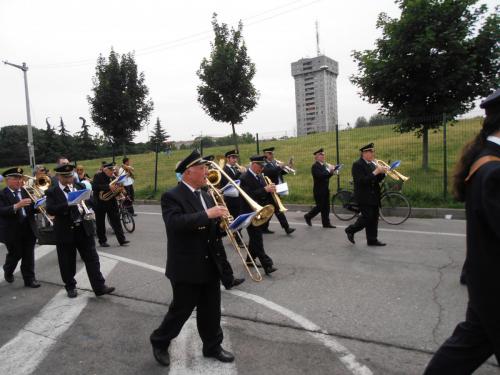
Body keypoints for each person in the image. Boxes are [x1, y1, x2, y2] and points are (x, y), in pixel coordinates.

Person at [424, 89, 500, 374]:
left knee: (467, 347)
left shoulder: (487, 162)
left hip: (488, 284)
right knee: (466, 346)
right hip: (494, 284)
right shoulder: (492, 170)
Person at [150, 149, 235, 367]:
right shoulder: (172, 196)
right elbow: (175, 224)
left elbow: (211, 228)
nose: (206, 172)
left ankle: (212, 346)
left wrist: (228, 225)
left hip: (209, 262)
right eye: (202, 168)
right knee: (181, 310)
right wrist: (208, 215)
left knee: (211, 309)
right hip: (186, 264)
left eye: (206, 168)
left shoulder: (206, 194)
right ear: (188, 172)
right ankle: (160, 341)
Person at [45, 164, 114, 298]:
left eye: (71, 175)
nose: (69, 178)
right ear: (58, 176)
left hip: (84, 227)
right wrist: (68, 204)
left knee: (92, 258)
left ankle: (99, 287)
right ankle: (70, 286)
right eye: (65, 176)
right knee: (67, 261)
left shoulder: (80, 186)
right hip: (65, 230)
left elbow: (91, 202)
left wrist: (88, 203)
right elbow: (51, 210)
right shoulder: (52, 191)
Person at [203, 153, 245, 290]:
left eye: (209, 166)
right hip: (204, 226)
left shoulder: (211, 179)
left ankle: (228, 280)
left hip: (215, 223)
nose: (208, 171)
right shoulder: (200, 185)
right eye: (207, 166)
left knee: (221, 254)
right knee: (211, 257)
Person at [0, 167, 40, 288]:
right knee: (15, 254)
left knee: (29, 255)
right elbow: (1, 211)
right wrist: (17, 206)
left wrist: (40, 205)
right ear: (7, 180)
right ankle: (8, 269)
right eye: (15, 178)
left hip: (28, 227)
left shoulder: (25, 191)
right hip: (12, 230)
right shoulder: (2, 194)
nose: (19, 181)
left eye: (20, 178)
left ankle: (30, 280)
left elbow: (33, 209)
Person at [239, 155, 278, 275]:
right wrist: (265, 190)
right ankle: (268, 265)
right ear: (254, 164)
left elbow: (261, 193)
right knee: (258, 239)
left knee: (255, 238)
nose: (262, 168)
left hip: (260, 211)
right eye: (260, 166)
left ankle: (249, 260)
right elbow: (248, 196)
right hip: (250, 212)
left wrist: (271, 190)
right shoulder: (244, 178)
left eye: (263, 166)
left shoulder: (260, 175)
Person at [344, 143, 388, 246]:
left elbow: (376, 180)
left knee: (374, 218)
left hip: (374, 196)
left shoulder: (372, 164)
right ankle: (350, 230)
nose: (373, 154)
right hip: (364, 196)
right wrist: (375, 172)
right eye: (371, 152)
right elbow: (361, 181)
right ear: (364, 153)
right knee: (367, 217)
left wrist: (383, 173)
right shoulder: (357, 165)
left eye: (373, 151)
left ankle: (372, 239)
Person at [92, 163, 129, 247]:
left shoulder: (112, 177)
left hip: (111, 202)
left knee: (116, 221)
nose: (113, 172)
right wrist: (108, 187)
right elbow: (94, 187)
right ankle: (102, 241)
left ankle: (122, 240)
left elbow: (116, 188)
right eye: (111, 170)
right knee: (100, 223)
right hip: (100, 203)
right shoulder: (98, 176)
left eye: (113, 170)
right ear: (106, 170)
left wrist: (121, 192)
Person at [261, 147, 295, 235]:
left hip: (276, 189)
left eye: (272, 153)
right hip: (269, 190)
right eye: (270, 153)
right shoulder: (263, 164)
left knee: (272, 210)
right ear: (265, 154)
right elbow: (269, 172)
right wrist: (279, 166)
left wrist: (288, 166)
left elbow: (279, 172)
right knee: (278, 209)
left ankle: (263, 228)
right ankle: (287, 228)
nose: (273, 155)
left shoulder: (273, 163)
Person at [304, 148, 337, 228]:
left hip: (325, 189)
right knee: (320, 207)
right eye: (320, 155)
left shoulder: (324, 165)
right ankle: (308, 216)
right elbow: (320, 176)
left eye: (323, 155)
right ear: (316, 157)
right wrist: (329, 171)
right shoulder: (315, 166)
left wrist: (332, 171)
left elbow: (326, 176)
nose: (323, 156)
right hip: (319, 190)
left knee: (326, 207)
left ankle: (326, 223)